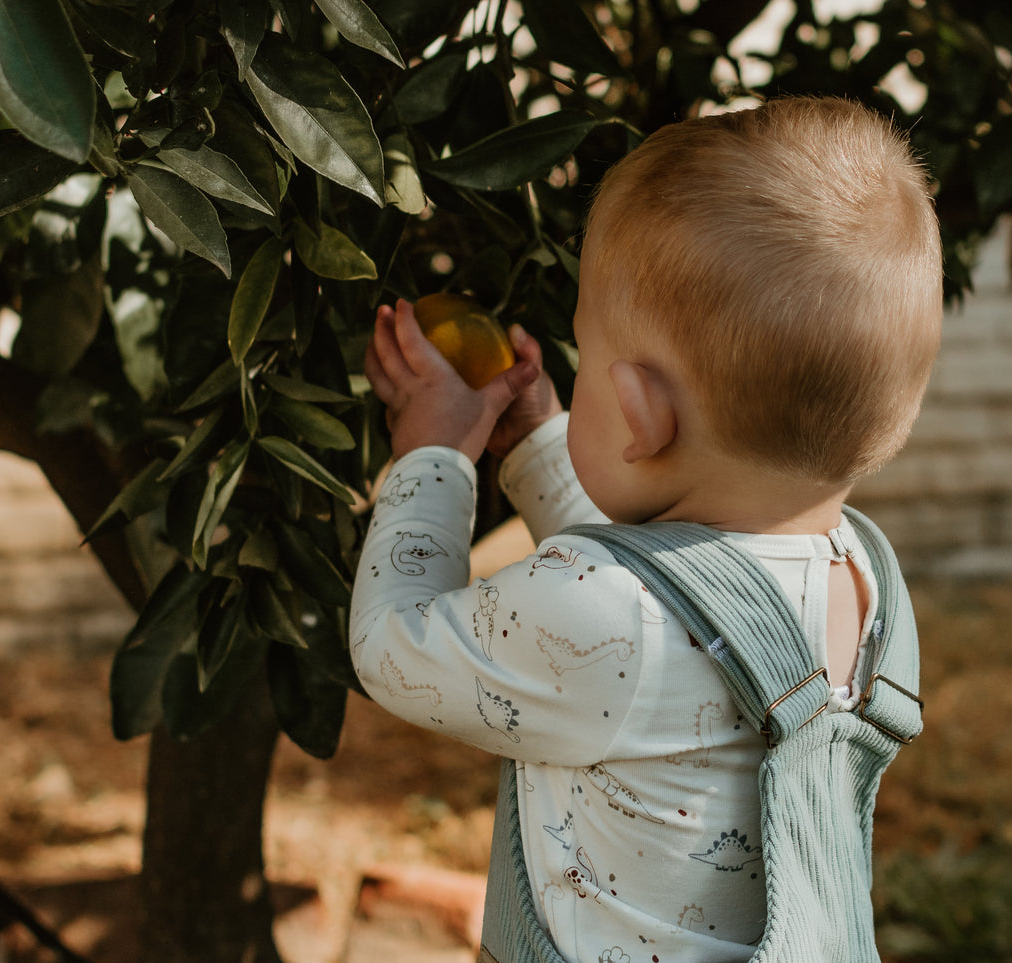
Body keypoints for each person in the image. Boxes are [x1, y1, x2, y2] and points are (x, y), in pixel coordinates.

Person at [350, 95, 942, 963]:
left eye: (586, 362)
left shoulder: (602, 617)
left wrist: (432, 454)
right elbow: (680, 589)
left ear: (637, 414)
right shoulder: (863, 578)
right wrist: (541, 444)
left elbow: (390, 646)